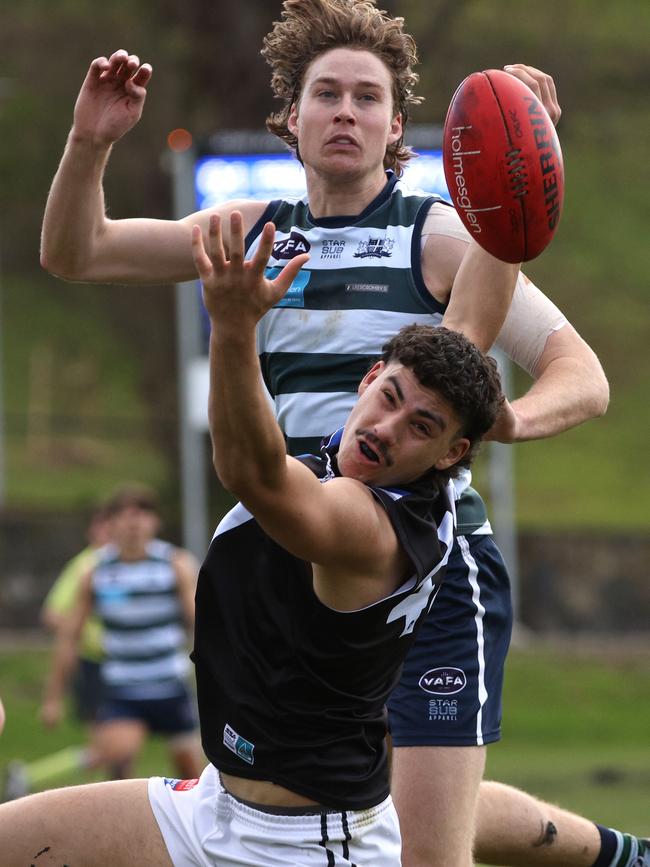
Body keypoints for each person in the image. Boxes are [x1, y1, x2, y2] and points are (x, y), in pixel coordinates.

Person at [38, 3, 645, 866]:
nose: (347, 112)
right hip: (307, 557)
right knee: (374, 808)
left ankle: (609, 852)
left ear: (398, 126)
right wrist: (90, 140)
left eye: (369, 97)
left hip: (426, 563)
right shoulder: (251, 231)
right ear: (291, 116)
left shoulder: (434, 234)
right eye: (328, 94)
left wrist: (506, 418)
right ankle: (614, 851)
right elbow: (78, 251)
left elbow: (584, 378)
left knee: (424, 841)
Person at [0, 208, 505, 864]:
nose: (387, 426)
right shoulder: (349, 463)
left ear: (450, 453)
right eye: (389, 396)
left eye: (421, 424)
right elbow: (464, 329)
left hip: (301, 844)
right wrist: (502, 212)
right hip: (211, 806)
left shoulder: (376, 526)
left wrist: (233, 327)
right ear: (366, 379)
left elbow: (251, 474)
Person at [40, 484, 205, 782]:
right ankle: (123, 827)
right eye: (125, 515)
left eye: (142, 514)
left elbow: (201, 625)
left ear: (155, 522)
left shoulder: (174, 564)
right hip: (123, 688)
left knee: (191, 776)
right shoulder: (96, 571)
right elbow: (68, 637)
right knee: (119, 767)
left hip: (170, 684)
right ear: (111, 523)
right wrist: (53, 697)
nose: (133, 523)